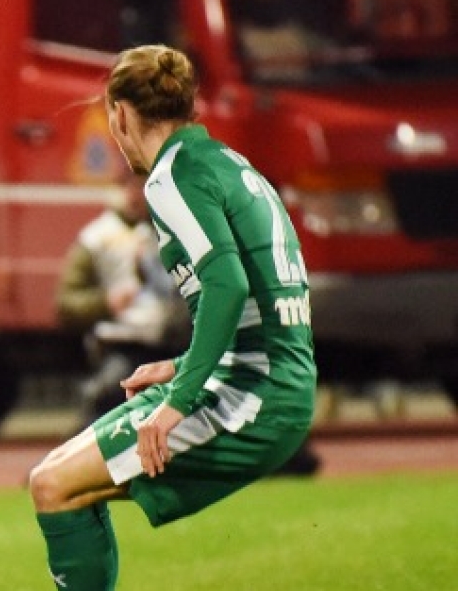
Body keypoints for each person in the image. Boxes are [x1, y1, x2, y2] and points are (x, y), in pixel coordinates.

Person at [28, 44, 316, 590]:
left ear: (119, 114)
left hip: (252, 396)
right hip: (268, 383)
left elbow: (227, 285)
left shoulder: (170, 177)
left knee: (54, 486)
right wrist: (183, 366)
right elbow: (264, 302)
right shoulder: (230, 165)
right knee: (55, 481)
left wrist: (178, 401)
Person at [56, 171, 187, 430]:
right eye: (134, 188)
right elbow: (67, 303)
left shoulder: (174, 233)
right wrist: (106, 303)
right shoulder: (98, 237)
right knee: (106, 403)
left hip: (174, 344)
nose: (140, 196)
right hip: (124, 344)